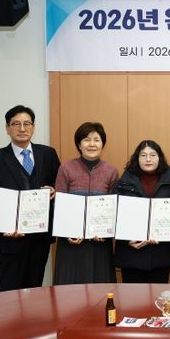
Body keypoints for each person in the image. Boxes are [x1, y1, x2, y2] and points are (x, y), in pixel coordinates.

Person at [0, 105, 61, 292]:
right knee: (8, 292)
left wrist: (54, 191)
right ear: (7, 128)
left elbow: (60, 187)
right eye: (16, 124)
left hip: (40, 238)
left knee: (35, 289)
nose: (22, 128)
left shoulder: (48, 154)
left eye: (27, 124)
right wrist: (5, 225)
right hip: (9, 239)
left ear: (33, 127)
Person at [53, 122, 118, 285]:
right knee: (70, 292)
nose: (92, 144)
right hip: (71, 242)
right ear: (79, 144)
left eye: (96, 140)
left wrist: (106, 231)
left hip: (100, 242)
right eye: (87, 140)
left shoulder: (111, 171)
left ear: (103, 144)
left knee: (101, 291)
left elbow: (115, 208)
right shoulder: (66, 168)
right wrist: (68, 233)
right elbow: (59, 205)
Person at [114, 140, 170, 283]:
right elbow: (115, 214)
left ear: (159, 158)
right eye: (143, 155)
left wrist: (163, 234)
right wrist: (127, 239)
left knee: (158, 294)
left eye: (153, 155)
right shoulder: (123, 182)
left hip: (160, 252)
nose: (148, 159)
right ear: (137, 159)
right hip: (131, 252)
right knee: (132, 296)